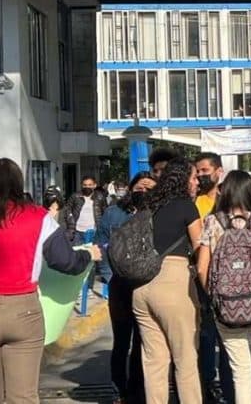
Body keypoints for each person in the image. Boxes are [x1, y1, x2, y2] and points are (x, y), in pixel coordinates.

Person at [0, 158, 98, 404]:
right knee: (23, 395)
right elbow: (64, 261)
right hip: (25, 310)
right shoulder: (40, 217)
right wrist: (87, 254)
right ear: (18, 183)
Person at [197, 170, 251, 404]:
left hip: (226, 307)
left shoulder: (213, 222)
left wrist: (214, 295)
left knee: (240, 369)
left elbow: (202, 268)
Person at [132, 158, 204, 404]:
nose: (197, 182)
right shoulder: (186, 207)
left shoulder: (148, 205)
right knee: (185, 359)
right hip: (173, 283)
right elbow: (200, 246)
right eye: (194, 177)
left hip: (141, 285)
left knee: (154, 361)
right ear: (183, 180)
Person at [97, 171, 156, 404]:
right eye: (140, 187)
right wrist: (108, 275)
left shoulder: (157, 215)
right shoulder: (113, 213)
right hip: (120, 287)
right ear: (131, 189)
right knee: (121, 342)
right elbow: (100, 245)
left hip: (146, 287)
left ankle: (137, 390)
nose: (144, 192)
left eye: (150, 189)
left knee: (144, 342)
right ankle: (118, 391)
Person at [193, 152, 235, 404]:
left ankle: (231, 388)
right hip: (203, 276)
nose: (200, 175)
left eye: (204, 170)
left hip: (230, 278)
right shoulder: (193, 202)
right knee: (206, 335)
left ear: (219, 171)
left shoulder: (229, 200)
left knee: (229, 338)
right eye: (197, 171)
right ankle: (209, 385)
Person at [64, 175, 108, 244]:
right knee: (78, 252)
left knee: (92, 253)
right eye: (85, 185)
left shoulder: (100, 197)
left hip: (94, 231)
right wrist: (70, 223)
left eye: (90, 185)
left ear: (94, 185)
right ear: (82, 185)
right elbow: (67, 209)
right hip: (77, 231)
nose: (87, 187)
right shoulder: (75, 196)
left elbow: (105, 212)